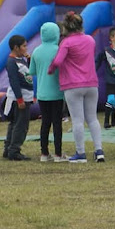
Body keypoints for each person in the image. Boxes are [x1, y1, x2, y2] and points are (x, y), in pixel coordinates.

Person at [48, 11, 105, 164]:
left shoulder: (66, 42)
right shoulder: (90, 40)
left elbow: (58, 61)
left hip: (73, 84)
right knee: (92, 118)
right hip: (91, 83)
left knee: (77, 120)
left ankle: (80, 152)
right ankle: (99, 150)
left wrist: (51, 68)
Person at [29, 22, 68, 163]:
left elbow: (31, 71)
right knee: (57, 123)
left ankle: (44, 153)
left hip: (42, 94)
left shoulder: (36, 51)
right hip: (57, 93)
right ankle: (58, 154)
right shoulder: (59, 50)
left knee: (45, 123)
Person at [3, 35, 33, 161]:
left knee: (15, 124)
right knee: (20, 125)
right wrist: (20, 99)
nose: (26, 48)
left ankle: (9, 148)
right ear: (16, 47)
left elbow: (30, 72)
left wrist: (30, 60)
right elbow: (14, 81)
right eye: (24, 46)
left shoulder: (22, 59)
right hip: (19, 98)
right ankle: (14, 150)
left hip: (26, 96)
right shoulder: (12, 62)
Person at [95, 27, 115, 129]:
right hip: (110, 80)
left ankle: (113, 116)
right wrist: (93, 71)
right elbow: (97, 61)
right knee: (110, 99)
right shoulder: (106, 51)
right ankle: (106, 121)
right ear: (111, 38)